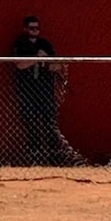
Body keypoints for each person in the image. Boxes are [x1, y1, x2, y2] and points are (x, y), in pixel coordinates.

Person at [12, 15, 64, 166]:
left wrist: (47, 59)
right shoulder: (20, 44)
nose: (35, 31)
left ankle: (54, 159)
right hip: (27, 90)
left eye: (37, 28)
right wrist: (36, 57)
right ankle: (34, 159)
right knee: (31, 124)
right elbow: (19, 64)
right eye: (32, 28)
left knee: (49, 123)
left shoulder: (44, 44)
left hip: (45, 89)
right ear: (25, 29)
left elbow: (57, 66)